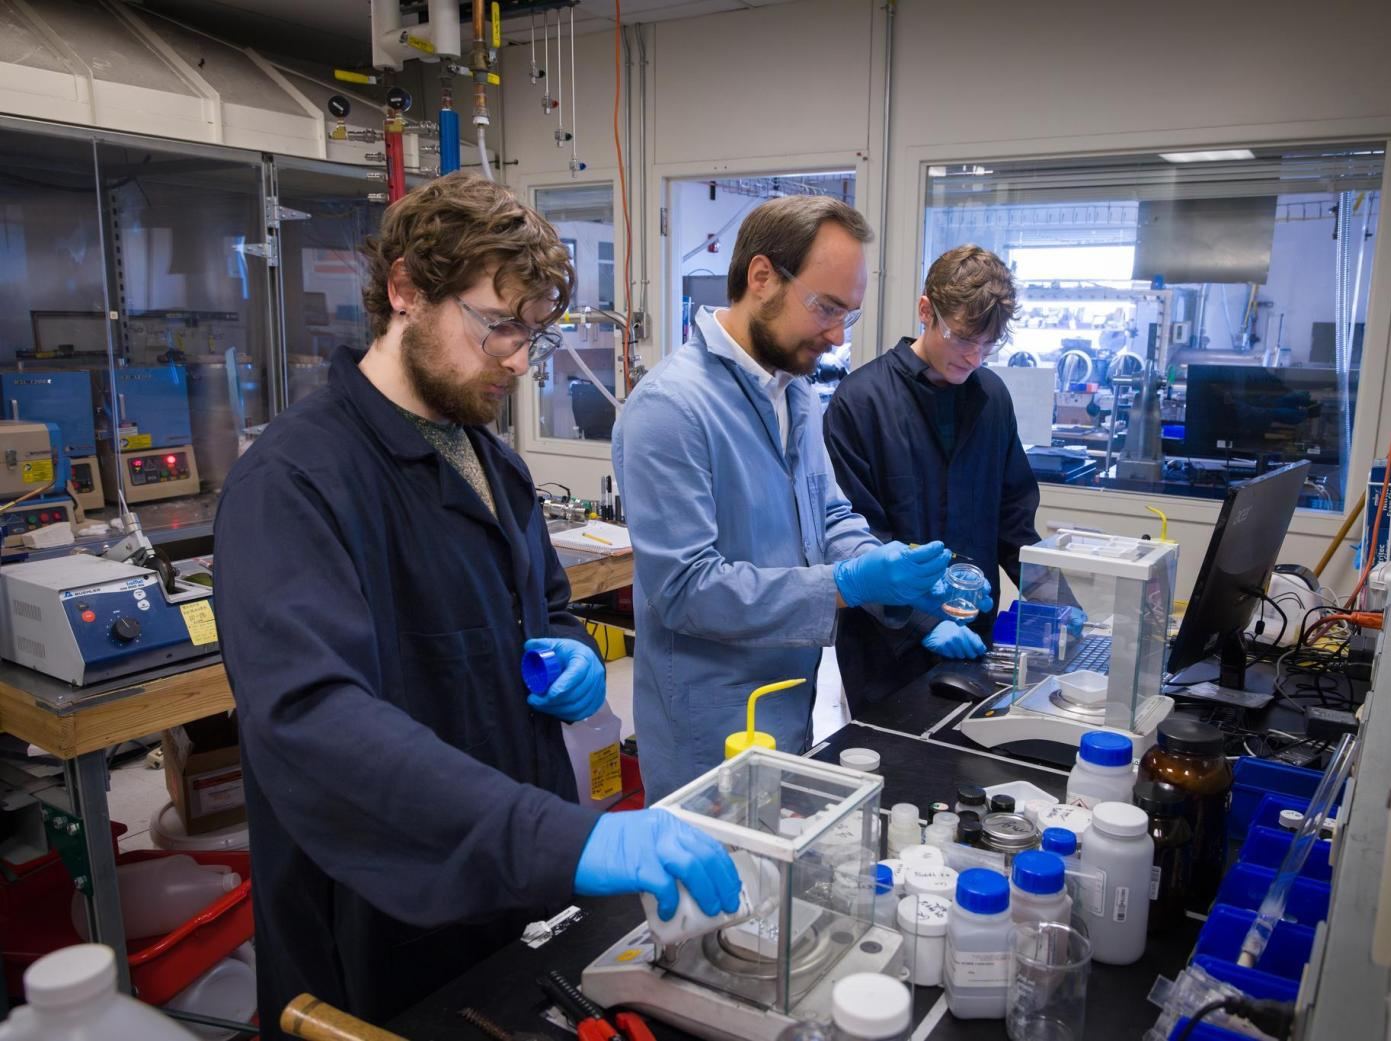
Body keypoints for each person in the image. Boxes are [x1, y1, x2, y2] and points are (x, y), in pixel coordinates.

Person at [213, 173, 740, 1037]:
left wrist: (567, 648)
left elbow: (547, 602)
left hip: (507, 888)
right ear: (405, 291)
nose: (521, 358)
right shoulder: (295, 482)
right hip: (377, 920)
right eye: (499, 325)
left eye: (535, 330)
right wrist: (568, 839)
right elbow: (315, 721)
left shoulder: (490, 462)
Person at [613, 196, 984, 802]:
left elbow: (829, 514)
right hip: (709, 731)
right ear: (761, 278)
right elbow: (686, 591)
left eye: (849, 316)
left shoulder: (796, 395)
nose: (838, 337)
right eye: (825, 308)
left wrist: (888, 569)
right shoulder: (671, 409)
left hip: (788, 707)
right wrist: (845, 585)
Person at [823, 245, 1040, 713]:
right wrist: (925, 623)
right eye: (962, 338)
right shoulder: (860, 403)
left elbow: (1014, 516)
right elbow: (855, 539)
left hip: (973, 635)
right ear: (926, 310)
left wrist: (1050, 594)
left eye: (987, 345)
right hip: (888, 642)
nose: (974, 358)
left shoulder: (992, 398)